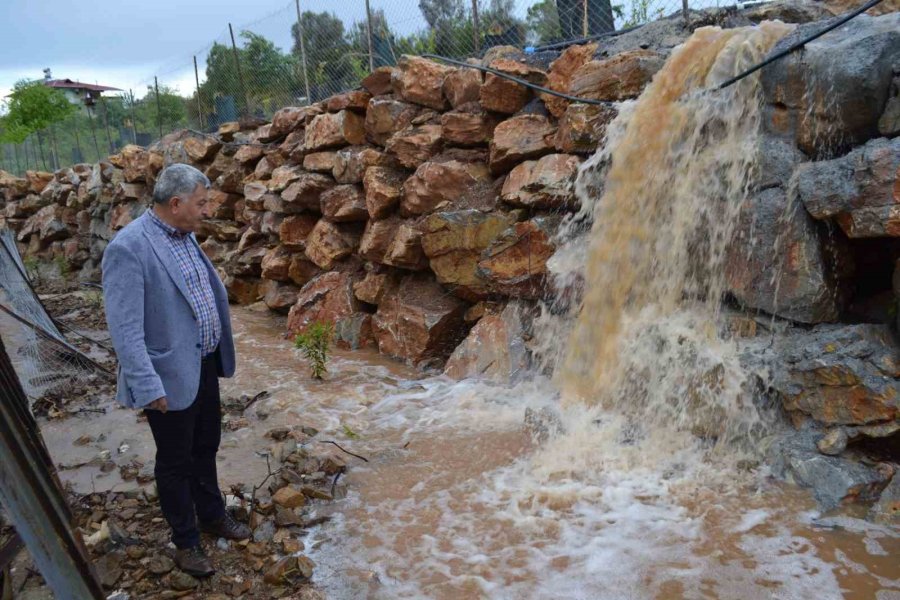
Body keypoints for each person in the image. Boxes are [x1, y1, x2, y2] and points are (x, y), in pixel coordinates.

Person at [101, 163, 250, 577]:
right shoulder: (129, 247)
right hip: (166, 375)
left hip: (201, 363)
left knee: (206, 445)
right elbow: (125, 328)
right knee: (175, 460)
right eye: (201, 204)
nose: (207, 211)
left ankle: (212, 515)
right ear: (176, 203)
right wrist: (147, 385)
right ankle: (185, 541)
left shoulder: (185, 236)